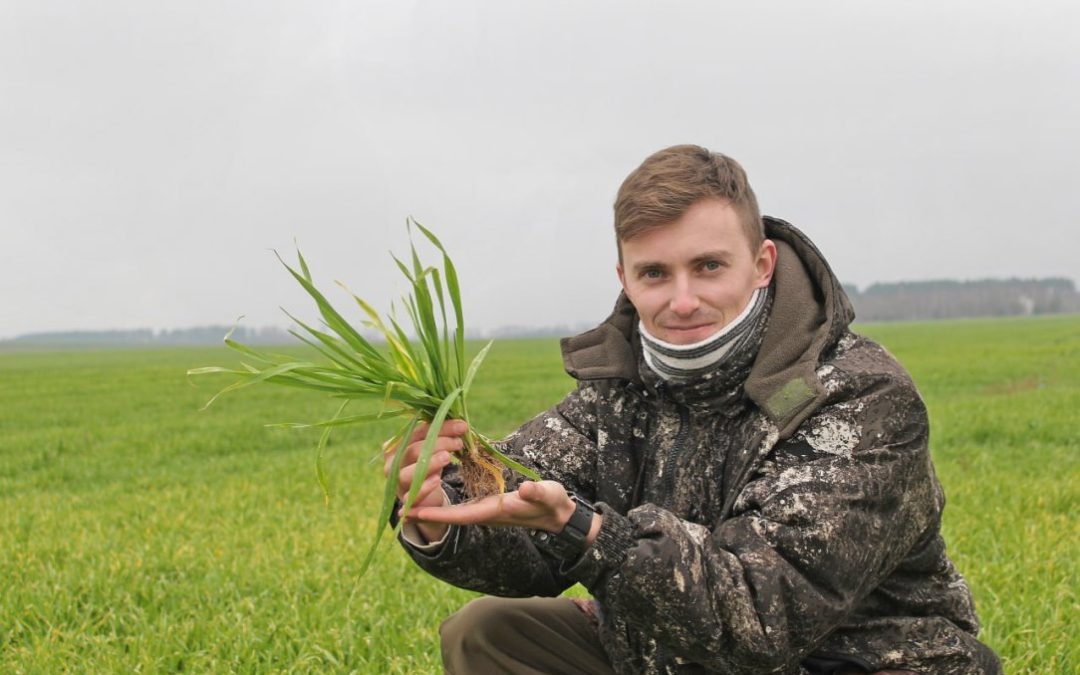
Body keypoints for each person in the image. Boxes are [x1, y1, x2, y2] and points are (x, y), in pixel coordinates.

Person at [386, 145, 1002, 674]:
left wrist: (594, 535)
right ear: (625, 279)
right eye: (655, 273)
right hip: (687, 654)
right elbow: (525, 517)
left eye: (708, 266)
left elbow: (763, 617)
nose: (683, 301)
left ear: (761, 265)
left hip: (851, 661)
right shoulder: (617, 392)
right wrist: (442, 515)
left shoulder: (858, 397)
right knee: (488, 633)